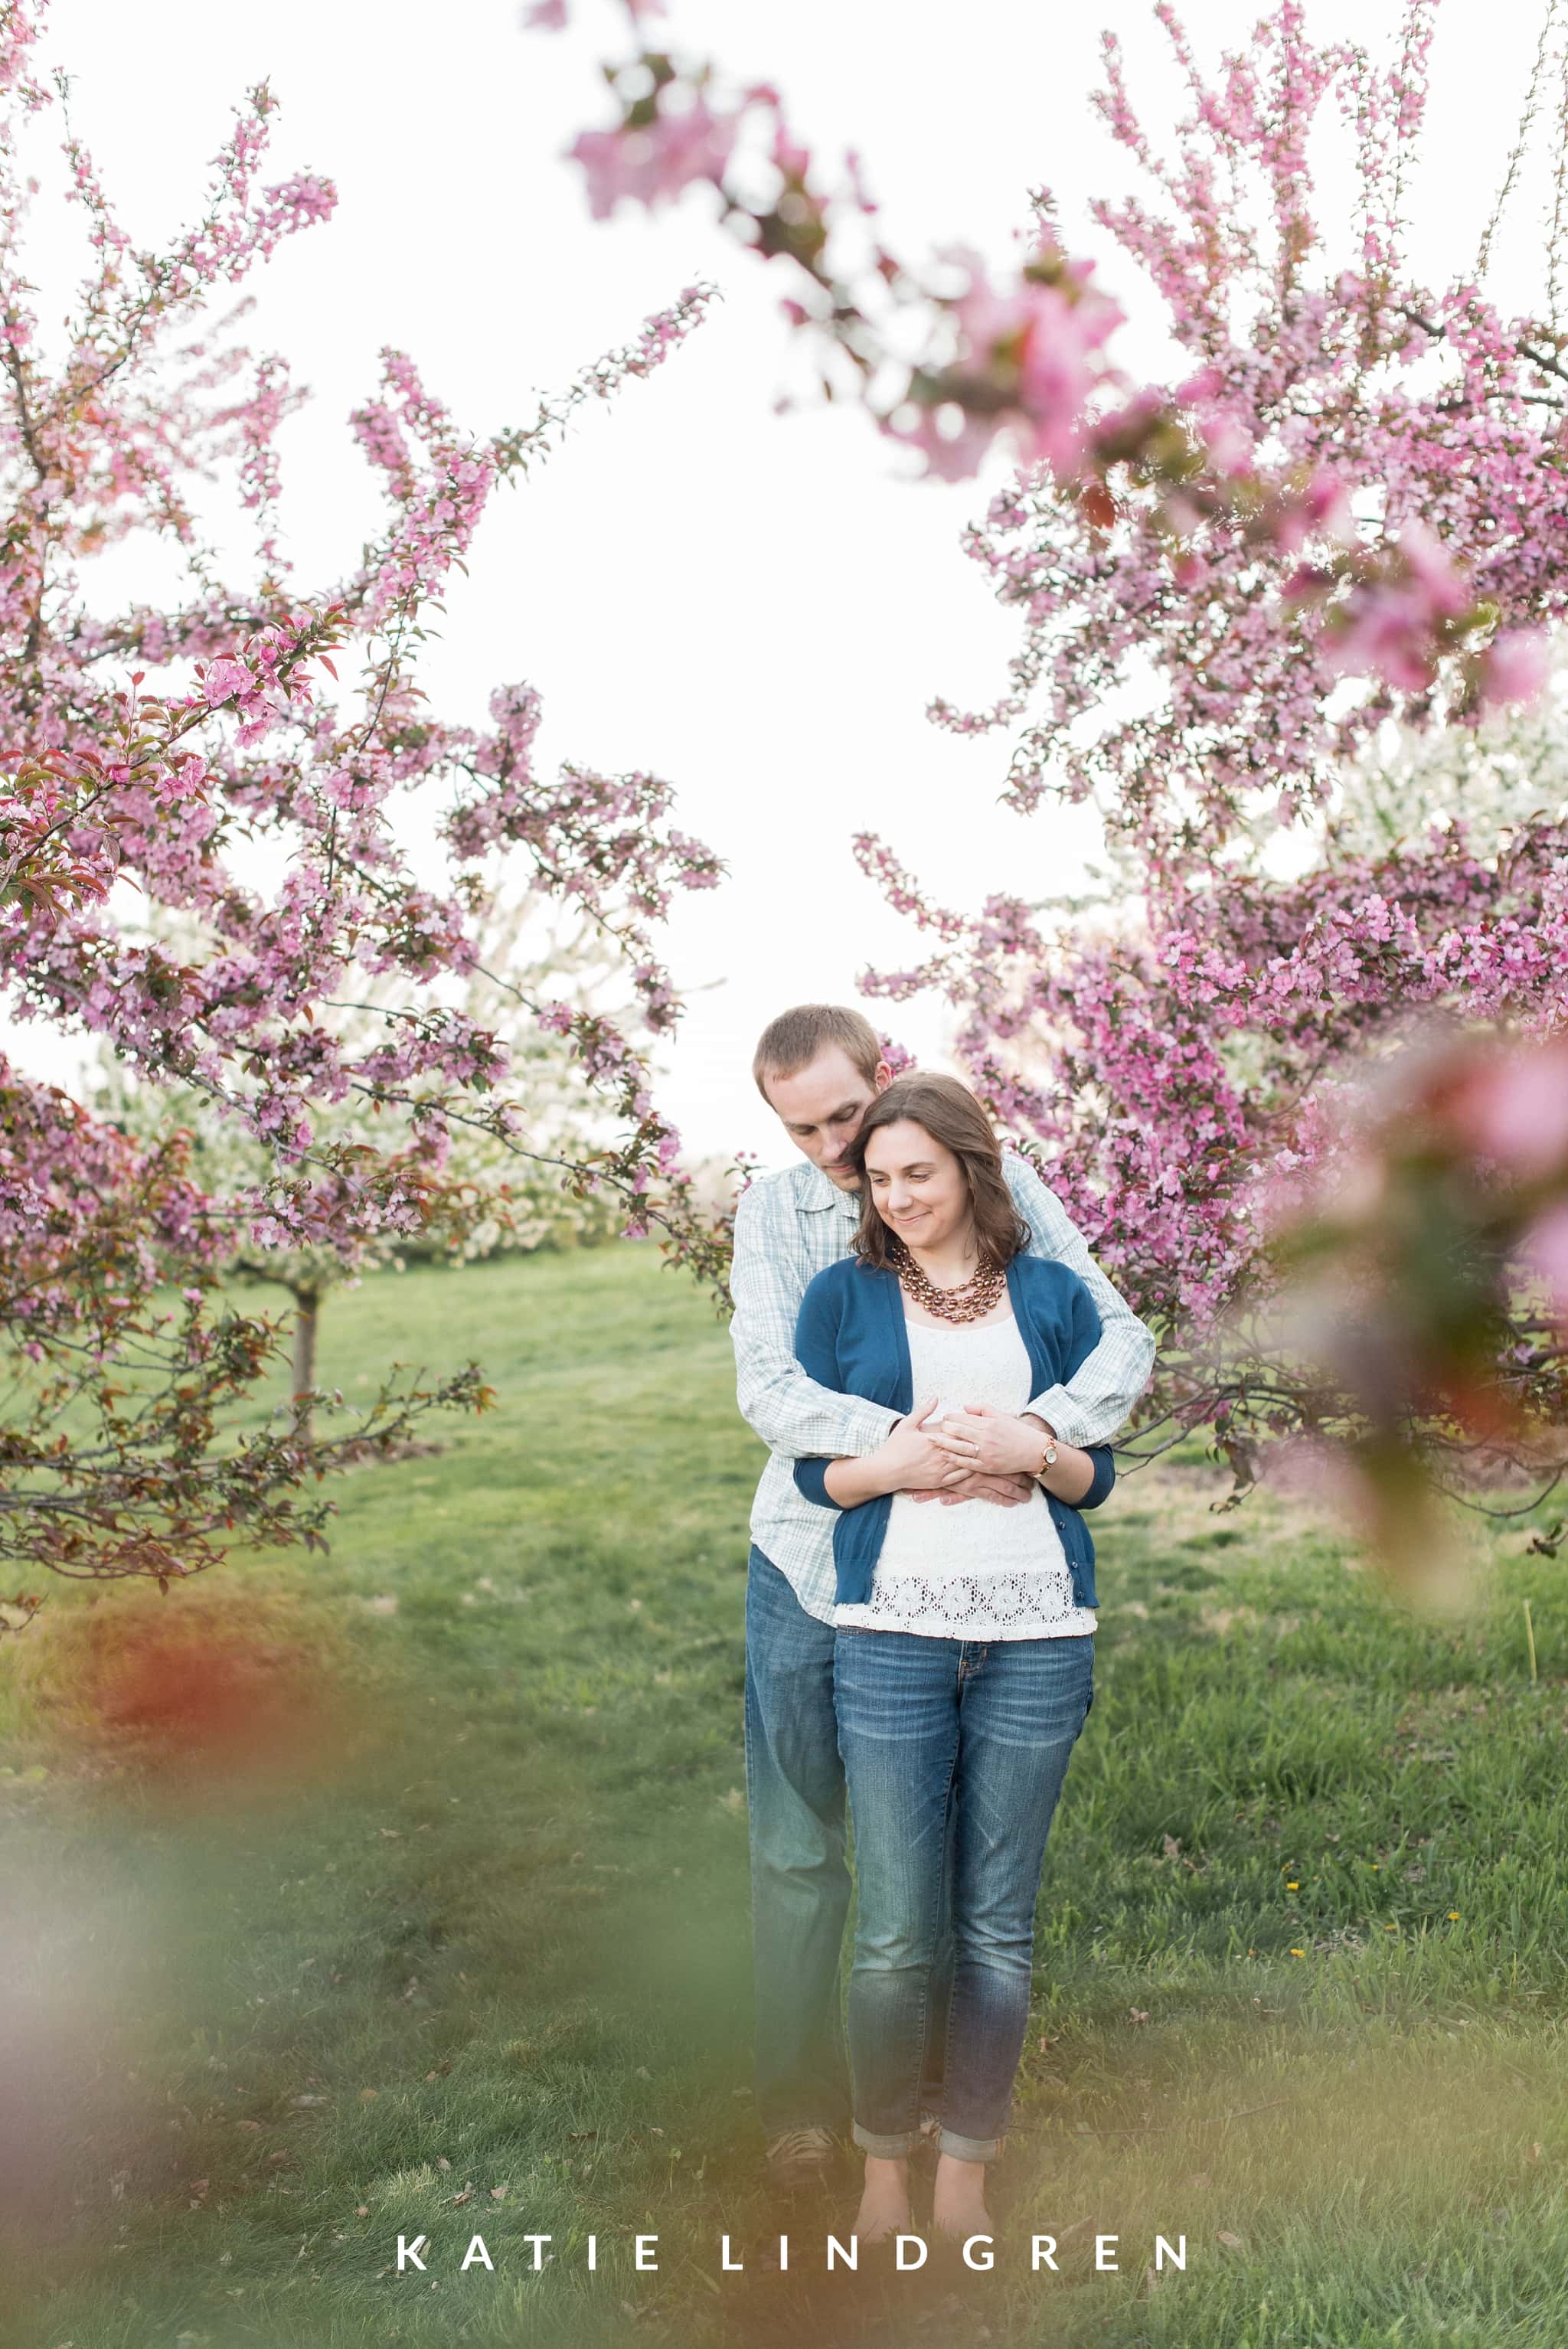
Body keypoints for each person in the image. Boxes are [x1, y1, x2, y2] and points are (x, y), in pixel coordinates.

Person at [730, 1005, 1153, 2193]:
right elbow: (772, 1389)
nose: (831, 1150)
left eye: (846, 1117)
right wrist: (915, 1450)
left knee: (933, 1871)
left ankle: (930, 2101)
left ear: (888, 1082)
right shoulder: (774, 1216)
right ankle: (804, 2109)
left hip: (973, 1579)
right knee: (802, 1849)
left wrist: (1028, 1435)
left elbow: (1106, 1329)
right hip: (814, 1556)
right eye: (801, 1128)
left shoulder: (986, 1175)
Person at [793, 1072, 1112, 2242]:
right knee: (893, 1929)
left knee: (994, 1926)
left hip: (1036, 1631)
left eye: (918, 1172)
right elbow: (814, 1474)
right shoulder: (842, 1298)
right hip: (890, 1635)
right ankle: (885, 2166)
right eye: (879, 1180)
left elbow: (1097, 1477)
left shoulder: (1052, 1295)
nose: (899, 1196)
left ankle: (967, 2162)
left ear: (972, 1169)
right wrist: (902, 1468)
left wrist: (1035, 1451)